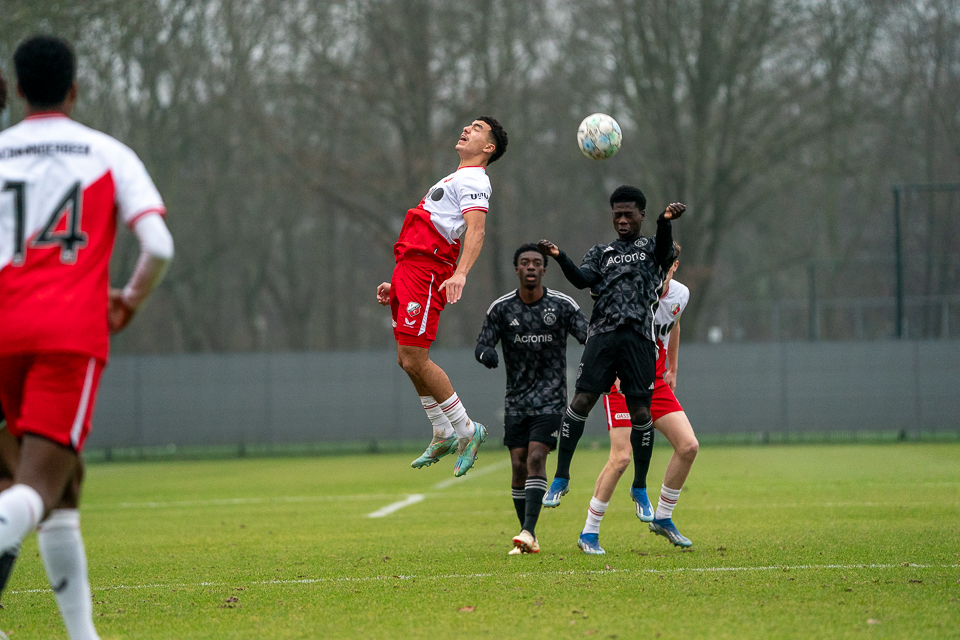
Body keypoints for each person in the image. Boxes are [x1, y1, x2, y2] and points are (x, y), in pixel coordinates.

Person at [0, 35, 174, 640]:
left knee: (63, 487)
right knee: (39, 486)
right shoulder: (108, 154)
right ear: (73, 88)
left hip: (2, 331)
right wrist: (129, 299)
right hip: (66, 336)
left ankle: (83, 636)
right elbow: (158, 246)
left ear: (19, 89)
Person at [537, 186, 685, 519]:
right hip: (602, 336)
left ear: (641, 215)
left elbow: (665, 253)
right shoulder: (601, 252)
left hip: (639, 340)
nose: (621, 219)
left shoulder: (652, 246)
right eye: (616, 214)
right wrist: (561, 257)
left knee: (641, 413)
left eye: (627, 214)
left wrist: (665, 222)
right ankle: (561, 476)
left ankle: (640, 488)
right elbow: (582, 279)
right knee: (580, 403)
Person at [376, 116, 508, 477]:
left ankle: (468, 429)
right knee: (406, 359)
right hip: (409, 269)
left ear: (489, 148)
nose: (467, 128)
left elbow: (476, 231)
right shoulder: (456, 176)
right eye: (469, 125)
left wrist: (460, 273)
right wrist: (398, 283)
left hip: (427, 272)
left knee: (417, 358)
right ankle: (441, 429)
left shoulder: (475, 179)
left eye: (478, 128)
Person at [577, 243, 699, 554]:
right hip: (621, 379)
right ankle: (589, 532)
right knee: (621, 458)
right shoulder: (627, 289)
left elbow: (674, 323)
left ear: (674, 266)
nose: (662, 270)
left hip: (654, 381)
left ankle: (663, 517)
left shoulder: (680, 294)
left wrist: (672, 367)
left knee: (688, 446)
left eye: (667, 265)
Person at [475, 244, 588, 554]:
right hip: (516, 401)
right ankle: (529, 536)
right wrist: (486, 354)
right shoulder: (501, 308)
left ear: (543, 270)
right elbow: (482, 344)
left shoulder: (562, 305)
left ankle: (527, 530)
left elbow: (588, 334)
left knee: (536, 458)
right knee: (517, 465)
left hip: (551, 400)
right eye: (524, 262)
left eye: (536, 263)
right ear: (516, 269)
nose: (530, 267)